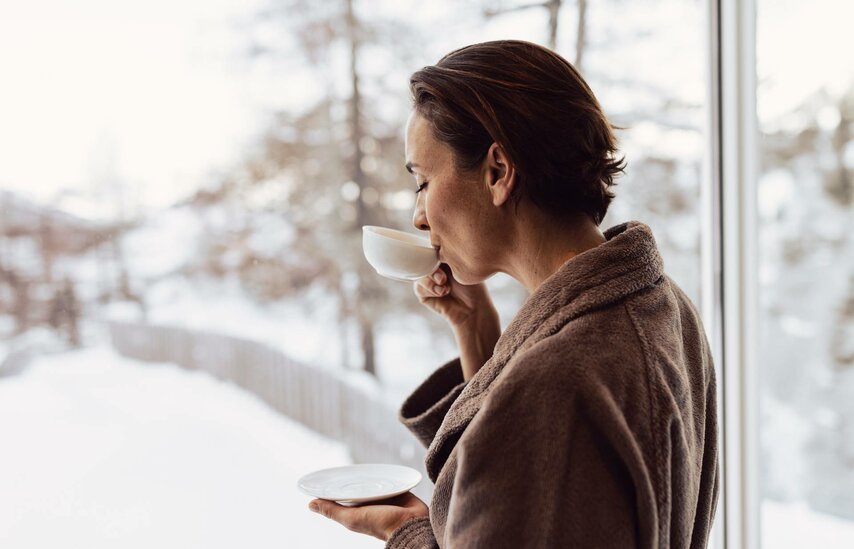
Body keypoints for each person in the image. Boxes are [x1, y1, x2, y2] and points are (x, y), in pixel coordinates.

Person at [309, 40, 719, 548]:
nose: (418, 216)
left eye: (422, 180)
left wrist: (409, 535)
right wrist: (477, 334)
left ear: (499, 172)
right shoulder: (664, 307)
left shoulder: (556, 383)